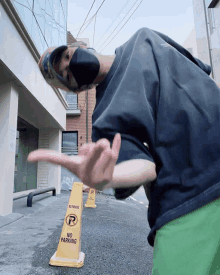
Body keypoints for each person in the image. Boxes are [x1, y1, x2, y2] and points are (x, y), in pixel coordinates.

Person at [28, 27, 220, 274]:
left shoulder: (146, 36)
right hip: (189, 205)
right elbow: (143, 167)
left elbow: (201, 72)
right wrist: (107, 178)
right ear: (73, 90)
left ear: (76, 47)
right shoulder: (104, 117)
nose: (69, 65)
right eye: (65, 75)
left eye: (65, 57)